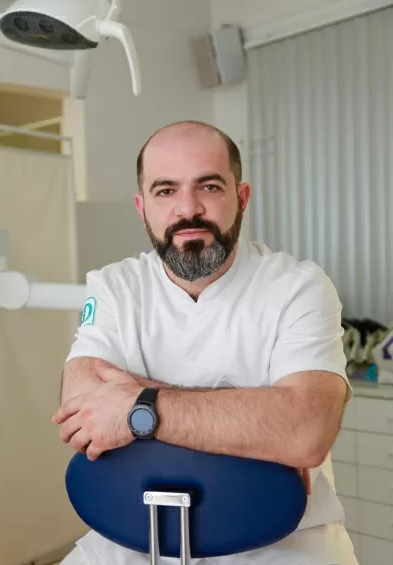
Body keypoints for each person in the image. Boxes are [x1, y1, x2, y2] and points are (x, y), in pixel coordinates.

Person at [54, 121, 359, 565]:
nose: (188, 208)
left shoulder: (299, 287)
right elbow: (80, 409)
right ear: (142, 207)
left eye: (210, 187)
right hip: (130, 539)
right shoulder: (115, 286)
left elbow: (305, 430)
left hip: (281, 544)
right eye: (165, 191)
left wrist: (136, 407)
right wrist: (260, 430)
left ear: (242, 197)